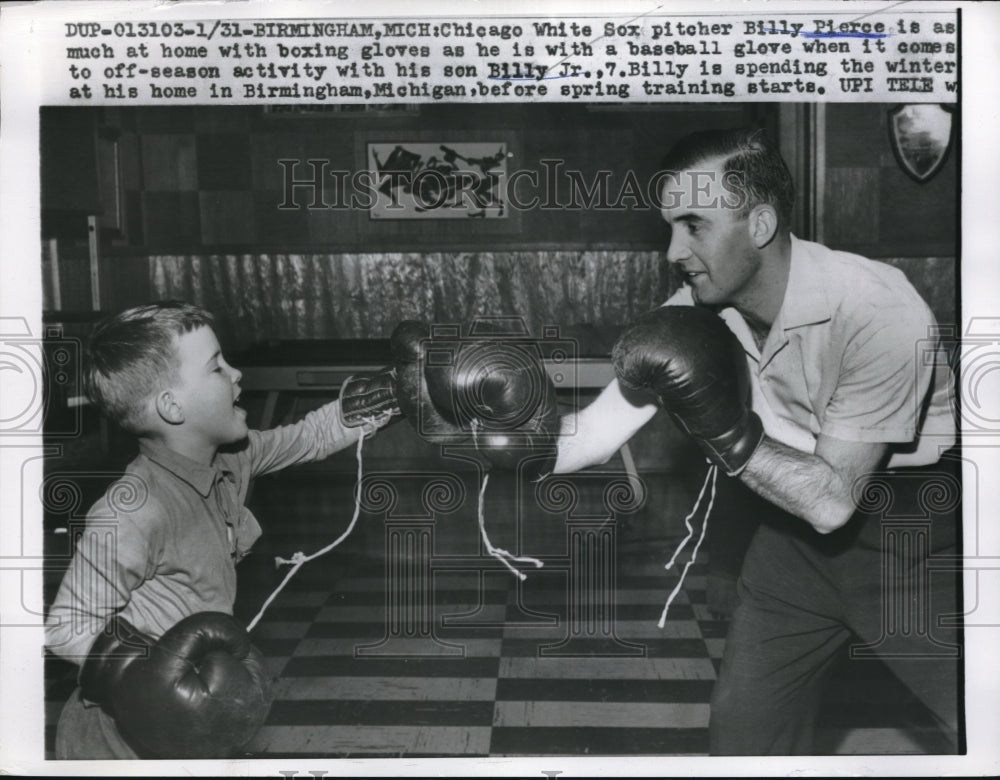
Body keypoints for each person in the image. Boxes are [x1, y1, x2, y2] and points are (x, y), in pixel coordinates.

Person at [394, 127, 959, 755]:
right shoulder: (697, 308)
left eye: (694, 225)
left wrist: (722, 426)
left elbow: (833, 501)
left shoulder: (876, 308)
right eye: (669, 226)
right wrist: (470, 423)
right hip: (792, 543)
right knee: (745, 732)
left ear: (761, 224)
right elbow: (590, 438)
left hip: (916, 536)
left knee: (978, 716)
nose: (673, 249)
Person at [44, 301, 397, 759]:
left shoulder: (234, 458)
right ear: (173, 406)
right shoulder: (133, 509)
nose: (237, 375)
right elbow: (66, 626)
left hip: (195, 714)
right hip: (118, 735)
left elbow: (310, 436)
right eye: (216, 368)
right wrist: (150, 679)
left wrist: (394, 394)